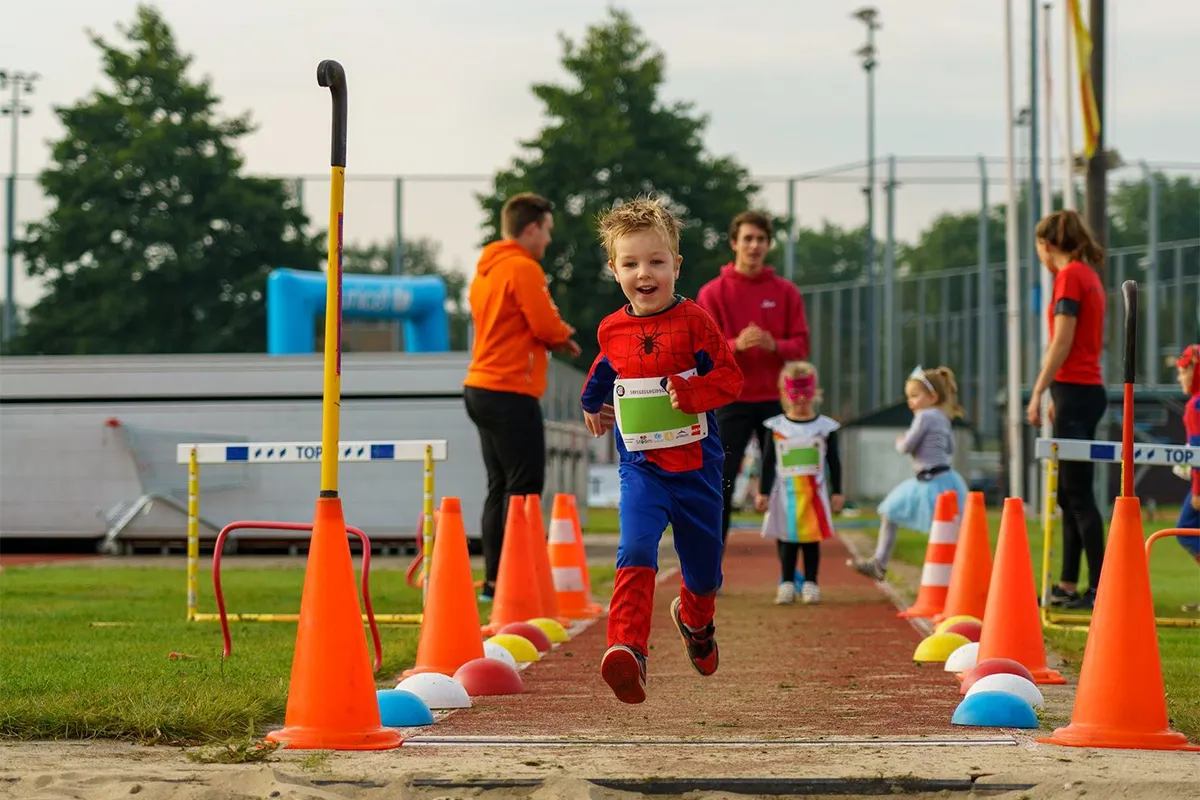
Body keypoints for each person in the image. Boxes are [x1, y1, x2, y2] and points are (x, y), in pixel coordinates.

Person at [580, 196, 744, 705]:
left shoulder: (696, 322)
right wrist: (591, 402)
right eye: (630, 264)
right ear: (614, 269)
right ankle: (628, 649)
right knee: (634, 549)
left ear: (676, 264)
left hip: (697, 470)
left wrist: (692, 394)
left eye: (655, 262)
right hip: (642, 467)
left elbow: (731, 379)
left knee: (703, 573)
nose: (643, 273)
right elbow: (605, 366)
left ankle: (696, 621)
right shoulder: (612, 327)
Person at [463, 192, 581, 601]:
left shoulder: (485, 272)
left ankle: (495, 582)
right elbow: (545, 324)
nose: (548, 241)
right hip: (510, 389)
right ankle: (517, 582)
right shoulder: (523, 268)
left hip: (479, 387)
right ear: (530, 228)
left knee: (500, 485)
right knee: (525, 486)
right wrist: (564, 335)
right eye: (546, 231)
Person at [696, 211, 810, 546]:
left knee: (785, 482)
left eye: (761, 239)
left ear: (769, 244)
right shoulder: (712, 293)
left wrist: (775, 344)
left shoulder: (786, 292)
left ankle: (790, 575)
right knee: (721, 482)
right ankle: (709, 568)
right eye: (747, 238)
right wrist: (736, 345)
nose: (754, 245)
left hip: (778, 403)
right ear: (734, 243)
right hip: (730, 401)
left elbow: (802, 346)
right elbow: (703, 351)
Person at [1026, 209, 1108, 611]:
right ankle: (1068, 583)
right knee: (1067, 495)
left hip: (1076, 389)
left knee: (1078, 495)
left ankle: (1099, 588)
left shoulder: (1070, 276)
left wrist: (1038, 390)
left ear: (1047, 245)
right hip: (1077, 392)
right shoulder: (1088, 275)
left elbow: (1061, 341)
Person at [849, 366, 969, 580]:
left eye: (915, 396)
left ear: (932, 397)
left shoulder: (924, 417)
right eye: (909, 397)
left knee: (889, 514)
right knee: (949, 530)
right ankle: (960, 572)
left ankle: (880, 562)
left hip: (930, 481)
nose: (910, 402)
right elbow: (950, 447)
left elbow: (907, 446)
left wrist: (901, 441)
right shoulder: (943, 417)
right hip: (943, 477)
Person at [756, 361, 844, 606]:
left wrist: (838, 491)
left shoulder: (825, 427)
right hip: (784, 494)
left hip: (814, 493)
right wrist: (763, 492)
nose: (801, 399)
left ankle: (811, 582)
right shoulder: (776, 427)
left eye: (806, 392)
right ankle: (786, 582)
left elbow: (834, 461)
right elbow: (767, 461)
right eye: (795, 392)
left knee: (811, 538)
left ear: (815, 393)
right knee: (787, 537)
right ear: (784, 393)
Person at [1170, 345, 1200, 614]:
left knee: (1185, 530)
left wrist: (1198, 489)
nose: (1180, 378)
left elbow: (1199, 452)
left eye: (1183, 371)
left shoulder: (1195, 406)